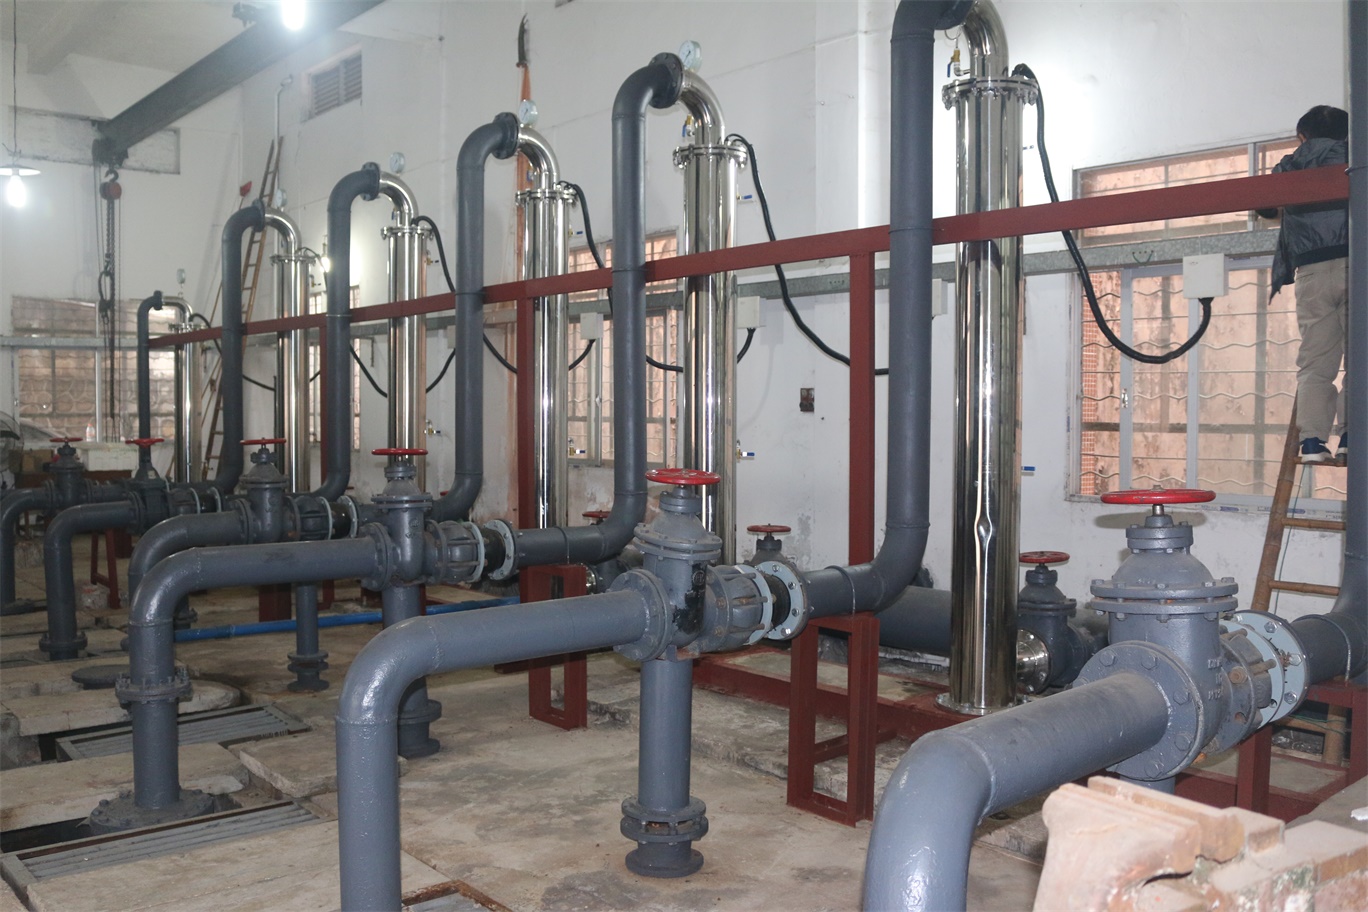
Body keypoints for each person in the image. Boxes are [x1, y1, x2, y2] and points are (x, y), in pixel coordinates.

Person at [1262, 105, 1349, 464]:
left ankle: (1312, 442)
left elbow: (1266, 208)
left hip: (1310, 272)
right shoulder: (1354, 157)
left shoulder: (1288, 166)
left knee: (1315, 364)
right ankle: (1351, 436)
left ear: (1302, 136)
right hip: (1355, 265)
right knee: (1360, 358)